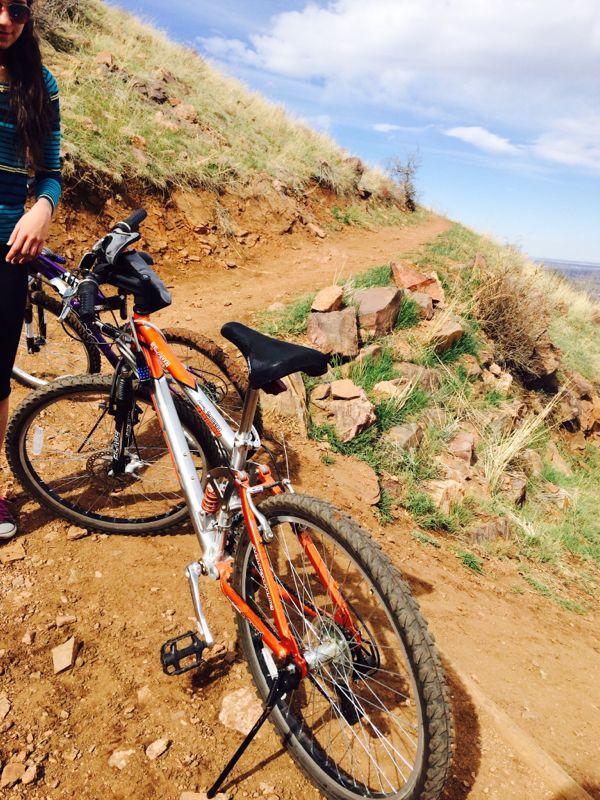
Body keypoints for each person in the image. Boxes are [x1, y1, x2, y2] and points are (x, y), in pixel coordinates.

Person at [0, 0, 61, 541]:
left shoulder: (40, 83)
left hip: (6, 254)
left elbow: (51, 172)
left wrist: (41, 207)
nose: (4, 20)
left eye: (16, 7)